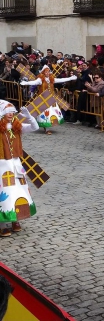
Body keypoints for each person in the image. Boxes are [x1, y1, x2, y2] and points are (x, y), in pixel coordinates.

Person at [0, 101, 39, 237]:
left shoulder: (17, 126)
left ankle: (15, 219)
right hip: (2, 165)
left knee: (18, 191)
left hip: (16, 164)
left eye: (12, 111)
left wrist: (29, 117)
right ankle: (2, 224)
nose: (10, 114)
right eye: (7, 112)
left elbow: (35, 127)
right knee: (5, 192)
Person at [20, 65, 77, 134]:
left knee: (51, 113)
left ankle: (48, 126)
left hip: (51, 99)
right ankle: (46, 129)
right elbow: (34, 82)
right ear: (43, 72)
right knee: (45, 113)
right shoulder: (40, 79)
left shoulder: (52, 79)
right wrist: (26, 83)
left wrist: (70, 78)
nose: (47, 73)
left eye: (48, 71)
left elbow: (61, 80)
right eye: (46, 72)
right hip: (43, 99)